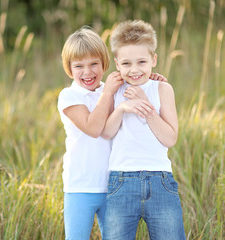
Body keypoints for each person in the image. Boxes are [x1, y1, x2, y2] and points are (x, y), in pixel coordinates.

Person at [58, 26, 167, 240]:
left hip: (114, 186)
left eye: (94, 64)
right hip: (80, 186)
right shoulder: (69, 96)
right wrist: (107, 91)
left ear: (105, 64)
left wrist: (152, 80)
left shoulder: (113, 88)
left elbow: (136, 77)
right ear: (69, 68)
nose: (87, 72)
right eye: (79, 66)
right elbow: (93, 128)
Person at [102, 20, 186, 240]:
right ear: (117, 64)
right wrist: (121, 108)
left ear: (153, 60)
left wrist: (146, 106)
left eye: (142, 62)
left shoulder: (163, 89)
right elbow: (106, 133)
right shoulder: (114, 90)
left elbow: (170, 138)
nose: (135, 69)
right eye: (127, 63)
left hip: (160, 181)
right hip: (121, 181)